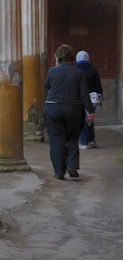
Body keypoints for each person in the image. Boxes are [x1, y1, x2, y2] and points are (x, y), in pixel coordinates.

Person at [43, 44, 95, 180]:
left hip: (53, 108)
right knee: (72, 137)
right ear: (72, 58)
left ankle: (59, 172)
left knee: (56, 140)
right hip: (73, 109)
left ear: (58, 58)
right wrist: (91, 110)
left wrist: (55, 69)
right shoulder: (78, 73)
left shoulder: (52, 71)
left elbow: (46, 86)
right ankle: (72, 164)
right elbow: (84, 94)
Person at [76, 50, 103, 149]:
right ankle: (91, 140)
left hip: (80, 98)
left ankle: (84, 142)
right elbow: (98, 85)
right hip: (92, 98)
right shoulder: (93, 70)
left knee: (82, 119)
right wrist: (100, 96)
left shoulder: (76, 70)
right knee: (90, 118)